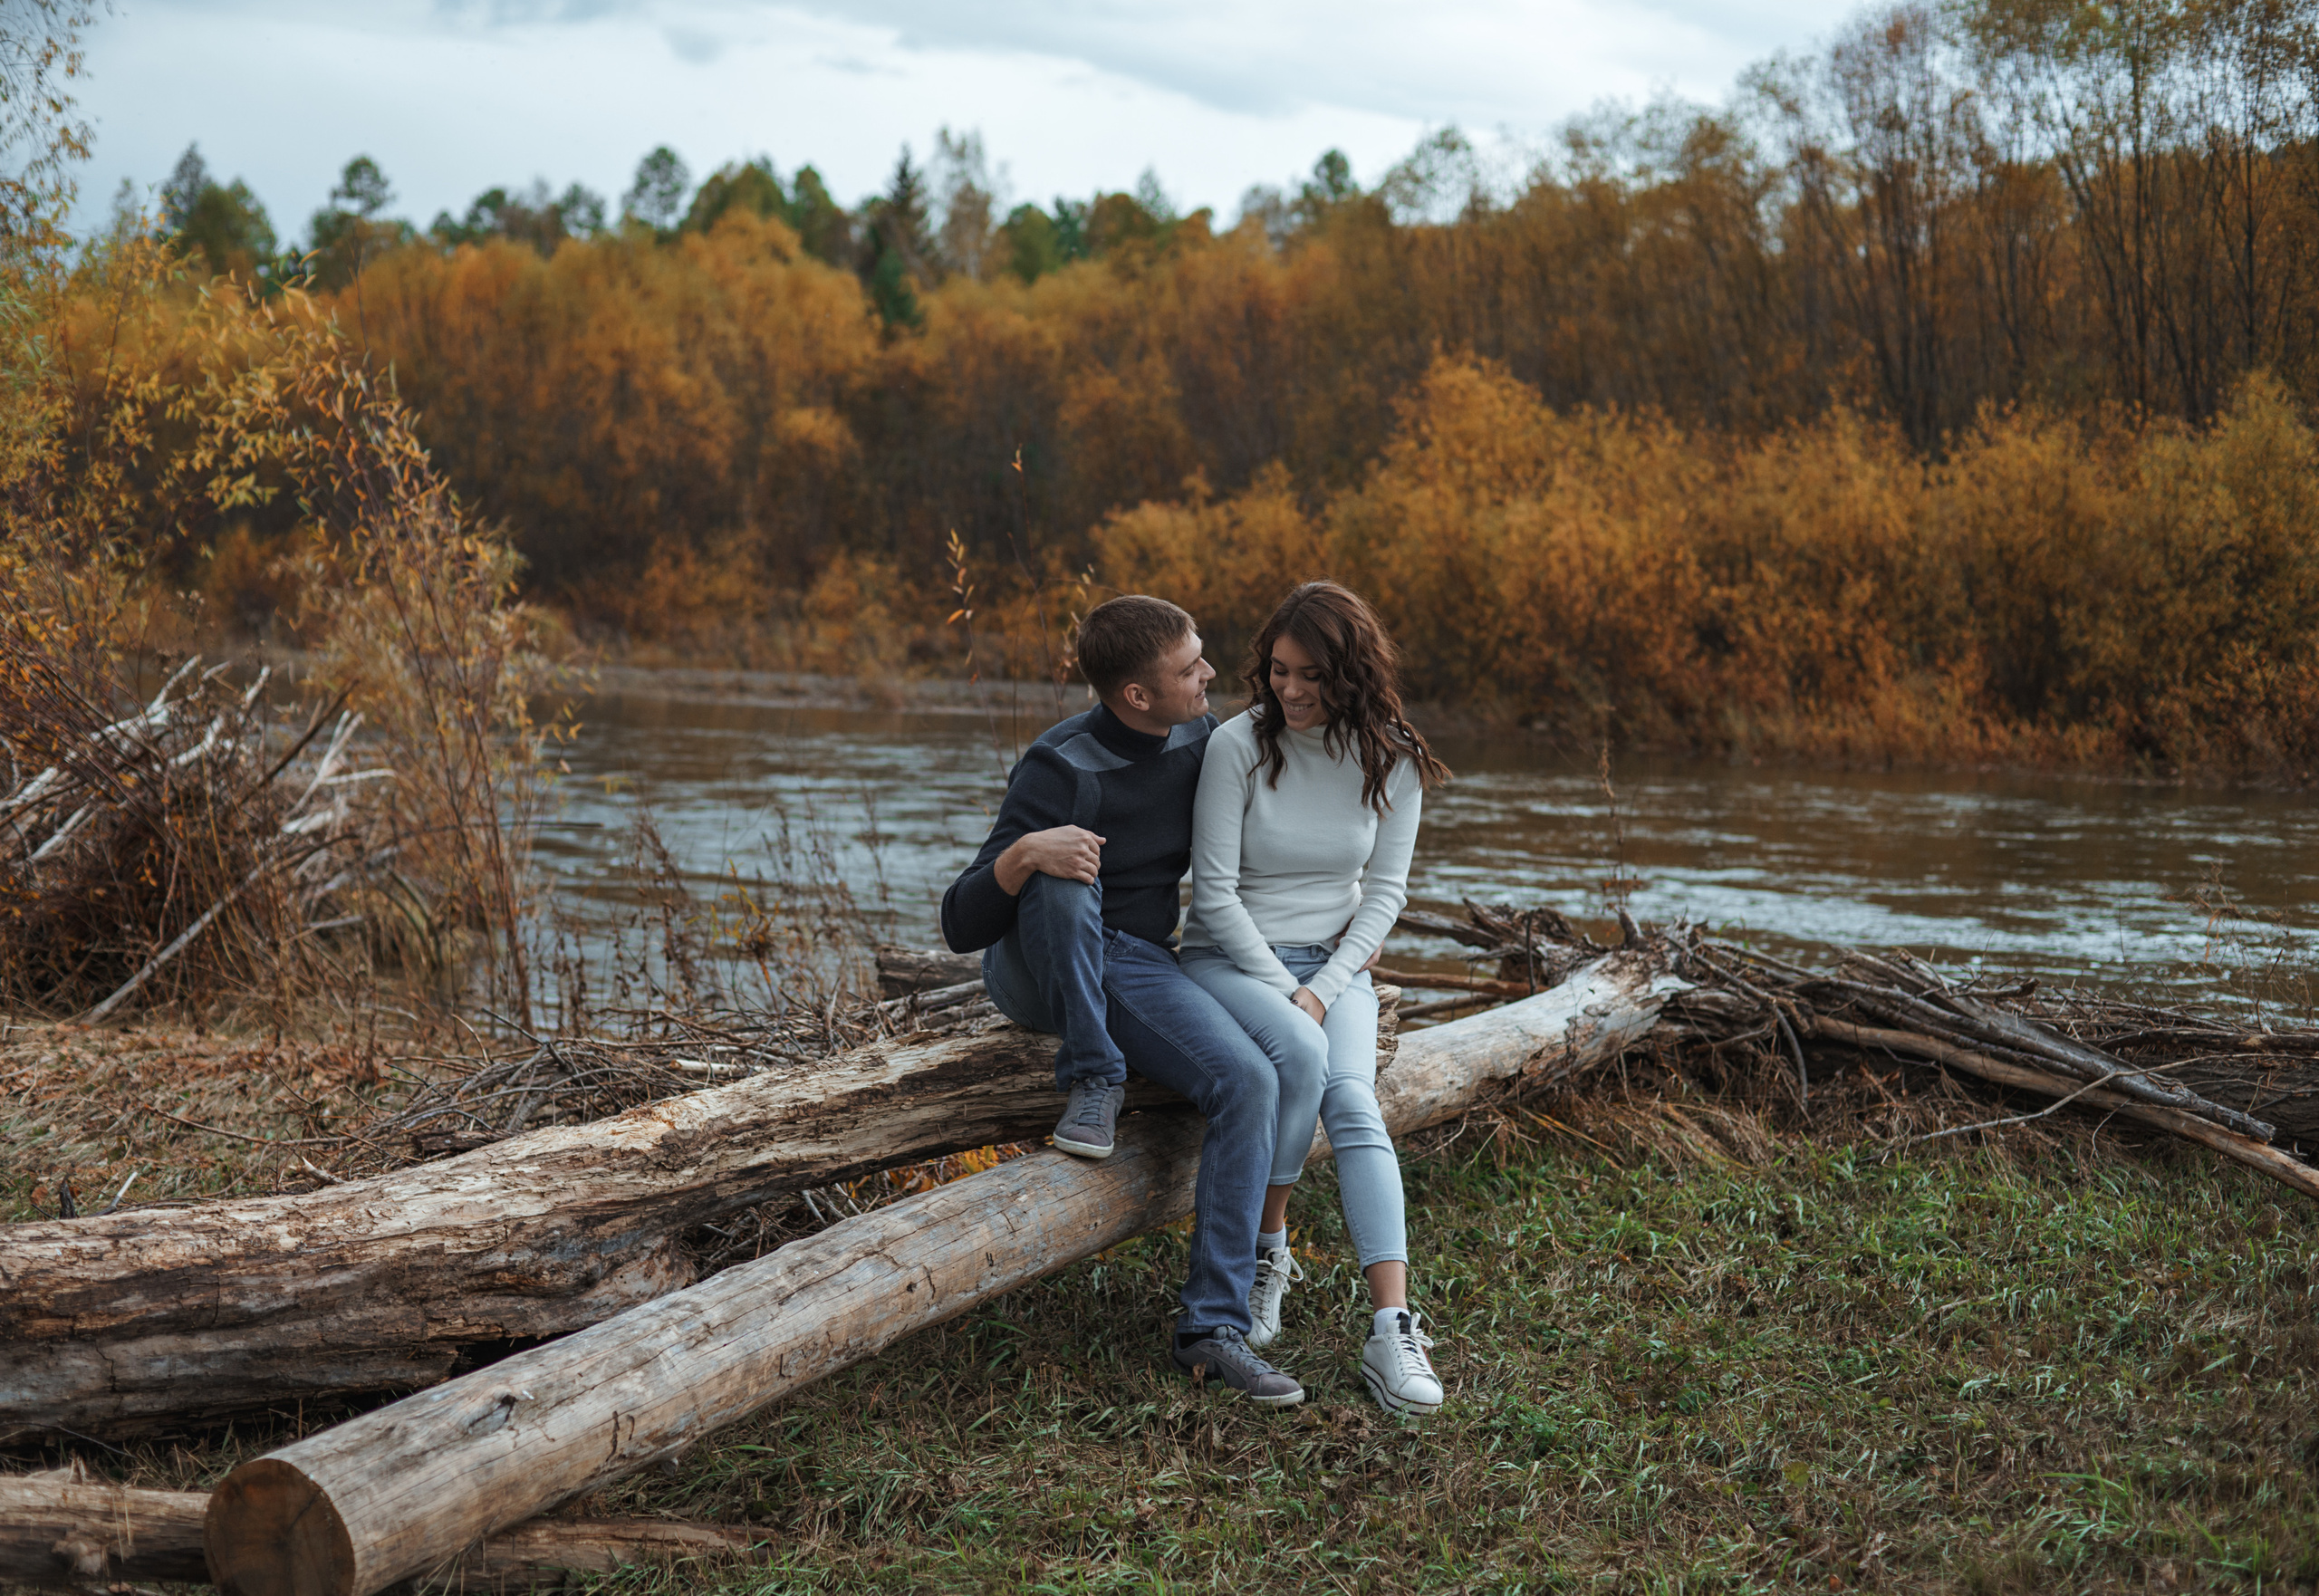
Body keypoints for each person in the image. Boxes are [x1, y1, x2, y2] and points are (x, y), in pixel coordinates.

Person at [939, 593, 1305, 1406]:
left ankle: (1212, 1329)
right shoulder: (1060, 765)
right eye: (1190, 667)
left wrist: (1347, 922)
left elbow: (1273, 835)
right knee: (1066, 874)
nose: (1210, 673)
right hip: (1037, 967)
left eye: (1201, 656)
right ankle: (1093, 1075)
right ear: (1138, 695)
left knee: (1250, 1081)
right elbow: (961, 923)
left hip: (1139, 962)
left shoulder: (1205, 740)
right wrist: (1025, 852)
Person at [1179, 581, 1453, 1415]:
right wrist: (1289, 991)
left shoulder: (1393, 756)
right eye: (1278, 670)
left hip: (1335, 970)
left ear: (1352, 674)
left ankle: (1393, 1329)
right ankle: (1268, 1249)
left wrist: (1327, 987)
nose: (1290, 690)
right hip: (1231, 960)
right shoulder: (1237, 745)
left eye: (1311, 676)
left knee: (1355, 1102)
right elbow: (1214, 894)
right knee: (1298, 1051)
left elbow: (1386, 893)